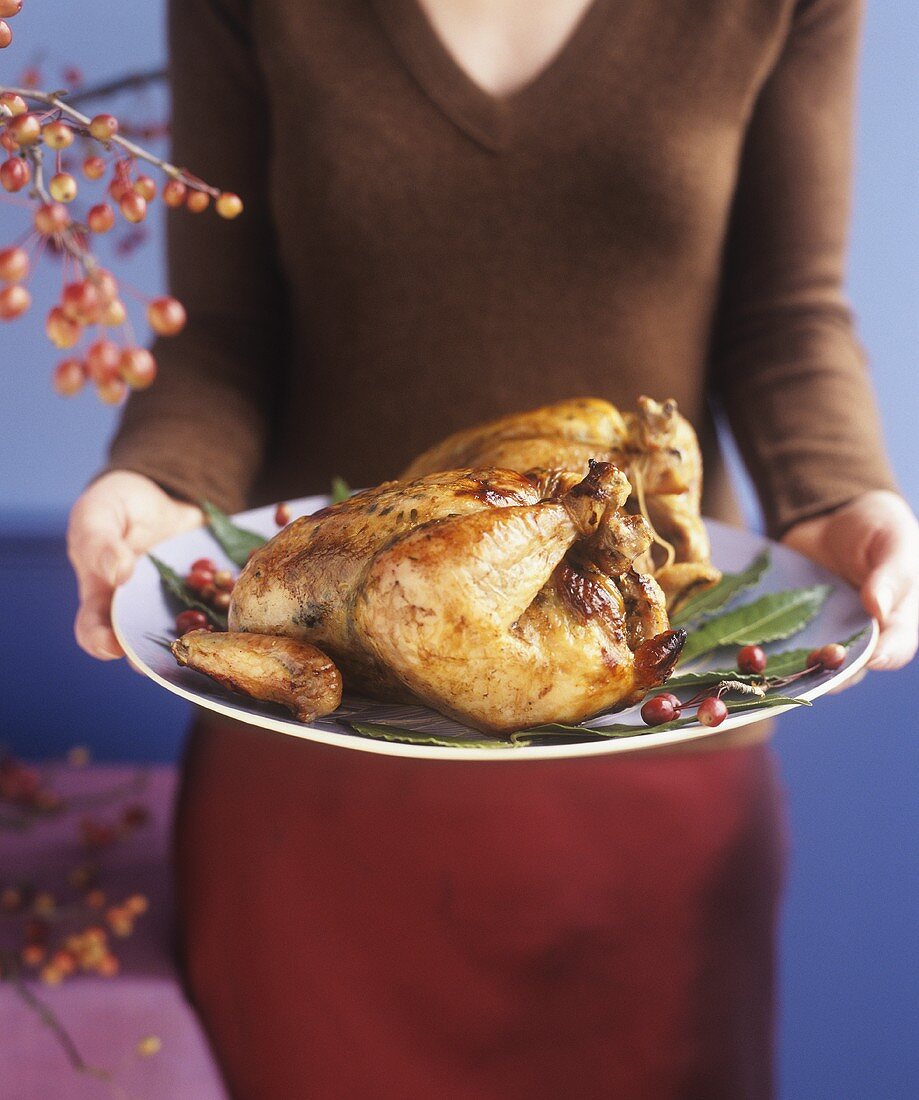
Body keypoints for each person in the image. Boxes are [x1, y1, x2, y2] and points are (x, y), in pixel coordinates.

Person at [68, 0, 918, 1096]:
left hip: (647, 783)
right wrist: (157, 483)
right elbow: (225, 332)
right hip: (320, 772)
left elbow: (785, 312)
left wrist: (837, 491)